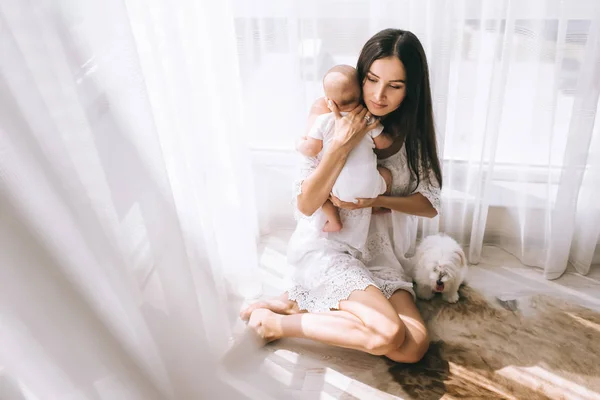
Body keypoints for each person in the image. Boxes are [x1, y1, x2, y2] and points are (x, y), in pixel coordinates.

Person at [241, 28, 442, 363]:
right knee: (387, 334)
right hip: (329, 249)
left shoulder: (411, 131)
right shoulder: (331, 112)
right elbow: (306, 203)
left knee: (413, 347)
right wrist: (340, 145)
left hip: (380, 255)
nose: (379, 95)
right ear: (361, 75)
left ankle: (295, 304)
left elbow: (429, 204)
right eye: (372, 80)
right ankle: (273, 324)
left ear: (412, 89)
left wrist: (375, 201)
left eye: (395, 85)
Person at [296, 64, 393, 250]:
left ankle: (334, 220)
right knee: (386, 174)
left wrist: (299, 143)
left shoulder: (323, 120)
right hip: (371, 189)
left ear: (329, 102)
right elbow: (383, 144)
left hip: (338, 192)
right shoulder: (368, 118)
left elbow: (311, 148)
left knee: (318, 185)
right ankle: (377, 205)